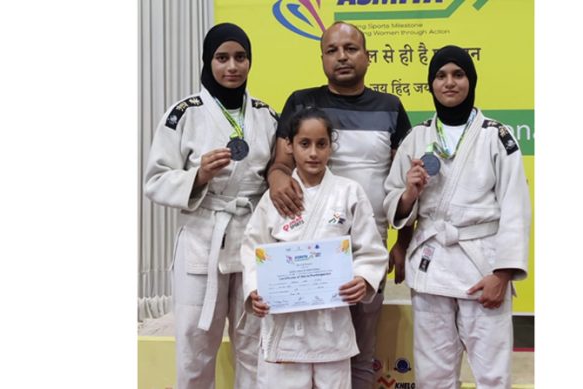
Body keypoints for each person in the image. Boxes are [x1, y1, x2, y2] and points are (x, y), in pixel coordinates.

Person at [266, 21, 412, 388]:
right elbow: (281, 163)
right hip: (308, 251)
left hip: (366, 249)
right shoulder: (302, 101)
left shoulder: (390, 107)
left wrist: (403, 242)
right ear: (322, 58)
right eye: (332, 50)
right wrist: (277, 177)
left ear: (367, 56)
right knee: (305, 357)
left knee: (361, 354)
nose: (341, 57)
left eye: (350, 48)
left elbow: (404, 182)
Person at [382, 45, 531, 389]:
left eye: (458, 74)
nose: (449, 83)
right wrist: (409, 193)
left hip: (482, 266)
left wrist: (503, 273)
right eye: (440, 76)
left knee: (492, 372)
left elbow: (515, 209)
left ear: (471, 80)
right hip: (432, 266)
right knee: (433, 373)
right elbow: (393, 200)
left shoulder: (497, 136)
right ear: (431, 85)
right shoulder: (416, 137)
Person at [143, 23, 279, 389]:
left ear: (250, 62)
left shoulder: (266, 116)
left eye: (240, 57)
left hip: (252, 234)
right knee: (194, 341)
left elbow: (278, 175)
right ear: (208, 61)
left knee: (255, 340)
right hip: (203, 234)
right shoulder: (183, 114)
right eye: (222, 58)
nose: (231, 66)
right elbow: (154, 180)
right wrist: (197, 176)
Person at [241, 107, 389, 389]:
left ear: (331, 146)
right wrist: (255, 289)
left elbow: (369, 248)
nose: (313, 153)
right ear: (289, 146)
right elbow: (253, 247)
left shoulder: (348, 192)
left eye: (321, 144)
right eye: (304, 144)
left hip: (330, 326)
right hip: (285, 325)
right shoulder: (276, 196)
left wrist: (363, 278)